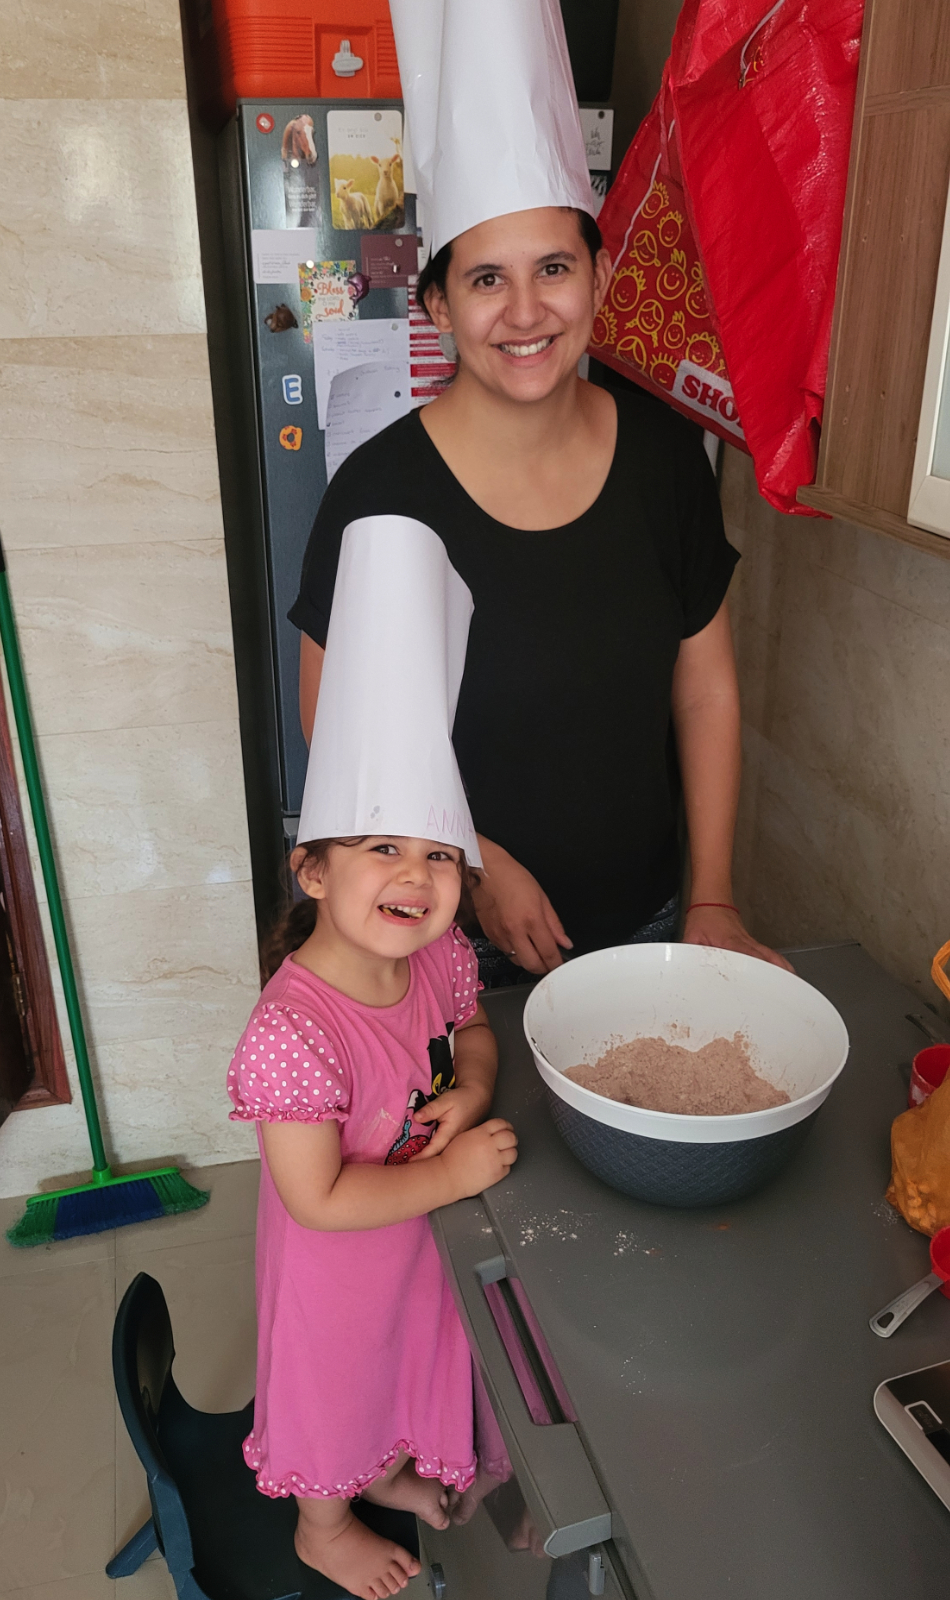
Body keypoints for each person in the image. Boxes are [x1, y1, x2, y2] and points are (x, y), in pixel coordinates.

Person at [292, 202, 791, 982]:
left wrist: (713, 898)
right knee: (472, 1107)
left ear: (596, 278)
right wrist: (477, 865)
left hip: (644, 919)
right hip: (438, 939)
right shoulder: (379, 489)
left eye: (553, 268)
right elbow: (335, 719)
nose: (526, 311)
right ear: (439, 306)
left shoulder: (665, 463)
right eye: (487, 278)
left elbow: (703, 691)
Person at [228, 830, 517, 1599]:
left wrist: (475, 1089)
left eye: (441, 856)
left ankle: (383, 1471)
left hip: (422, 1243)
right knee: (337, 1392)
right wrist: (453, 1171)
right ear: (314, 872)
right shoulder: (291, 1032)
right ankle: (321, 1529)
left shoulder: (439, 955)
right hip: (334, 1281)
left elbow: (474, 1029)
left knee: (404, 1362)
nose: (417, 876)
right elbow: (316, 1198)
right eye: (384, 848)